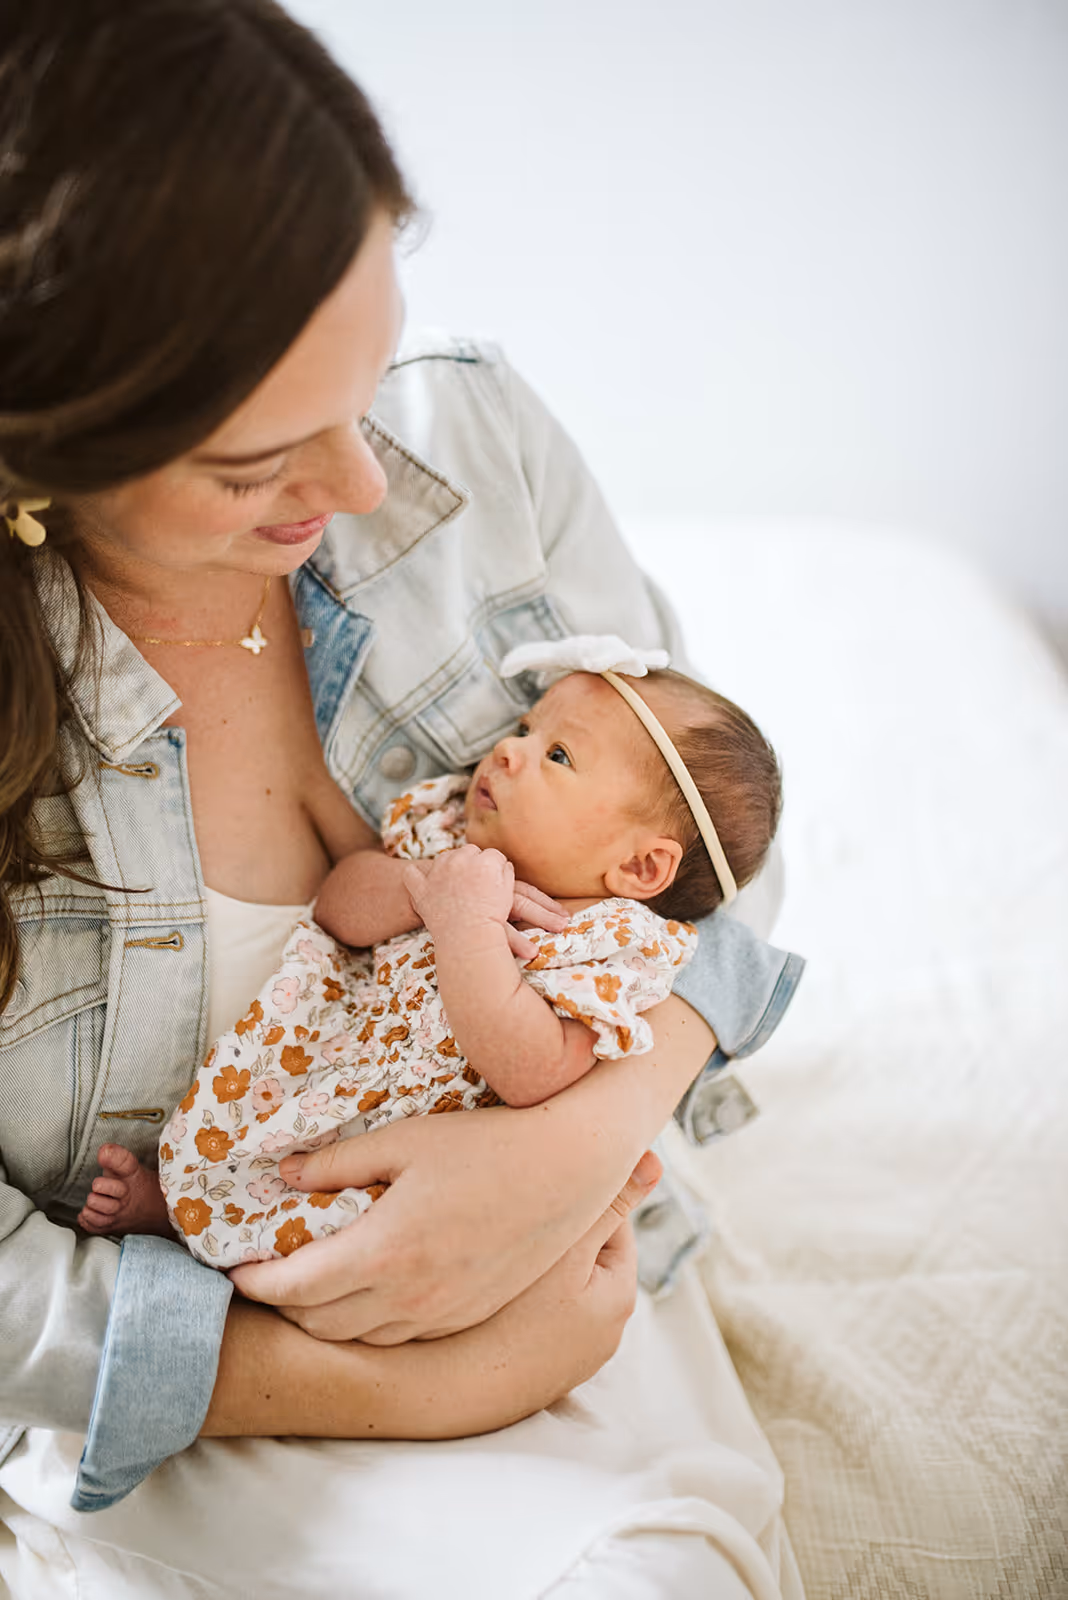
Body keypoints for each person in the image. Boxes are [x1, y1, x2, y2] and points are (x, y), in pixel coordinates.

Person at [0, 3, 804, 1594]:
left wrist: (583, 1135)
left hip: (567, 1277)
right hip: (152, 1392)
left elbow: (715, 854)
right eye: (256, 466)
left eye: (361, 383)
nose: (369, 490)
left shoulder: (470, 431)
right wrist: (384, 1385)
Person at [75, 658, 782, 1261]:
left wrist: (467, 927)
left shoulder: (608, 946)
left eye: (558, 756)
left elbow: (533, 1070)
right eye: (526, 728)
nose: (509, 751)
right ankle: (178, 1206)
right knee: (237, 1131)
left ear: (639, 866)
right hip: (322, 1064)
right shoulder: (450, 835)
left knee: (343, 1229)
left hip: (416, 1159)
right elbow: (338, 907)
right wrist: (424, 891)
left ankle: (208, 1244)